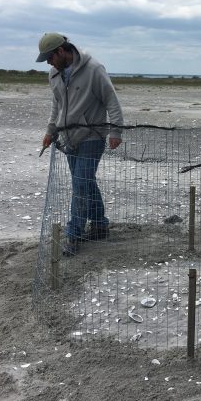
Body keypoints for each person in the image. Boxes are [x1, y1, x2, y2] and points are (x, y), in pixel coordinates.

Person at [36, 32, 124, 256]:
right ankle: (99, 224)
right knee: (85, 183)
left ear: (61, 51)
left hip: (92, 136)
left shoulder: (93, 69)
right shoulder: (54, 75)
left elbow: (111, 100)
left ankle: (73, 234)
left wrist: (116, 131)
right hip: (68, 137)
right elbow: (57, 106)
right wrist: (50, 131)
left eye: (50, 57)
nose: (48, 62)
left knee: (80, 185)